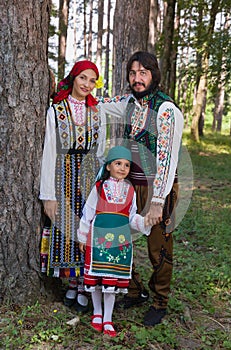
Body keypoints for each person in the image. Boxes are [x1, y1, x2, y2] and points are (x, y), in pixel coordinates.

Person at [97, 51, 184, 326]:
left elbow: (167, 158)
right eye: (133, 73)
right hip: (130, 181)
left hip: (158, 186)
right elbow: (97, 104)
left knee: (158, 245)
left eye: (143, 73)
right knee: (123, 235)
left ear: (153, 74)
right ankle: (134, 290)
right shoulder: (127, 102)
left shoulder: (166, 109)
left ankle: (160, 301)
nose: (137, 78)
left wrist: (158, 200)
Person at [39, 60, 106, 312]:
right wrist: (48, 195)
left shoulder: (98, 112)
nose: (87, 84)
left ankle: (82, 284)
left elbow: (100, 153)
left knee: (85, 229)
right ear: (73, 78)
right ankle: (71, 283)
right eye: (83, 78)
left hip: (88, 180)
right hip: (62, 177)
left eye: (92, 80)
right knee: (66, 230)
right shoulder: (56, 111)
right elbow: (49, 153)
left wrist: (100, 189)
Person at [77, 146, 151, 337]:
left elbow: (132, 216)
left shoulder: (131, 190)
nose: (122, 168)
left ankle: (108, 318)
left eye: (126, 165)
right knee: (96, 277)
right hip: (97, 239)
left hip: (120, 243)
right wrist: (82, 235)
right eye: (118, 163)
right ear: (109, 166)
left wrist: (144, 222)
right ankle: (97, 313)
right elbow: (88, 213)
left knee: (111, 280)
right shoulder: (99, 187)